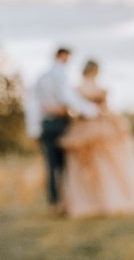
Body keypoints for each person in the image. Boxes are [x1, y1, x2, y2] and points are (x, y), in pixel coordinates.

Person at [59, 60, 134, 218]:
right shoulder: (100, 89)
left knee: (83, 167)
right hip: (102, 127)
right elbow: (106, 109)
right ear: (96, 72)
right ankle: (110, 199)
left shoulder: (77, 89)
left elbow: (74, 109)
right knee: (109, 164)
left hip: (82, 127)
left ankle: (89, 200)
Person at [27, 47, 98, 210]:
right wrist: (91, 110)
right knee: (66, 164)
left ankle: (55, 201)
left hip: (46, 124)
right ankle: (65, 200)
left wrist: (34, 129)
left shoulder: (41, 77)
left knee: (51, 164)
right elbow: (68, 98)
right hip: (60, 123)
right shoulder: (60, 75)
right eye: (68, 57)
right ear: (62, 56)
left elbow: (33, 104)